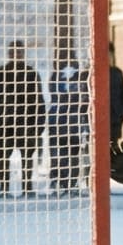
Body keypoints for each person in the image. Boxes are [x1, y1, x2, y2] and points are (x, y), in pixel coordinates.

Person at [0, 39, 46, 197]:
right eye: (13, 52)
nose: (16, 55)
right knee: (3, 156)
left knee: (28, 156)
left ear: (23, 54)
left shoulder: (31, 73)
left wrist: (38, 123)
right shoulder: (0, 73)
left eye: (19, 52)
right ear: (9, 54)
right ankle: (4, 188)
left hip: (26, 122)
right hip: (6, 123)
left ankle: (27, 188)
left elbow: (38, 99)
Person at [47, 60, 87, 193]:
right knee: (58, 153)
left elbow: (82, 98)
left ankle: (71, 182)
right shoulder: (55, 77)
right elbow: (54, 95)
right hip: (58, 121)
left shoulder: (79, 77)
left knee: (73, 152)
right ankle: (58, 181)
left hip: (73, 122)